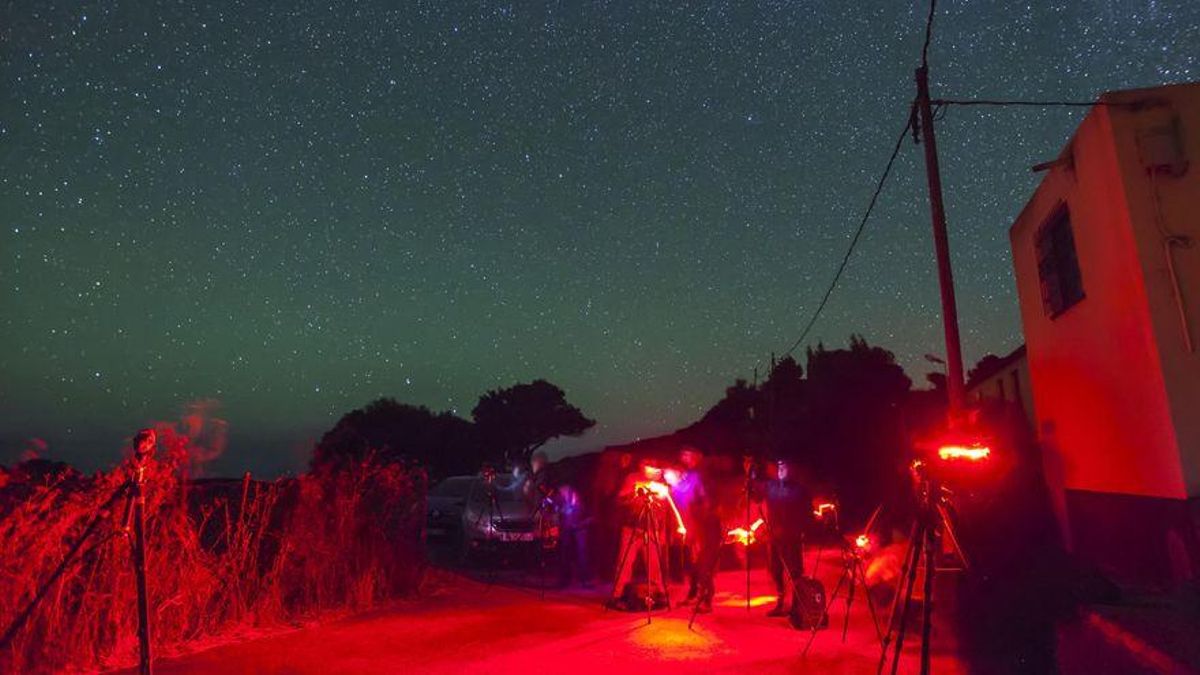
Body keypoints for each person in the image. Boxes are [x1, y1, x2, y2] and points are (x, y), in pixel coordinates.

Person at [608, 460, 670, 609]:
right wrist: (635, 492)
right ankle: (617, 595)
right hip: (632, 527)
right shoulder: (633, 478)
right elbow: (621, 498)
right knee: (625, 562)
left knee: (654, 563)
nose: (651, 470)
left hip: (651, 528)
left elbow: (664, 507)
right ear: (642, 466)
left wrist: (661, 531)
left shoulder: (661, 483)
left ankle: (660, 593)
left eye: (655, 468)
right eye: (648, 466)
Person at [674, 446, 723, 613]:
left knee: (704, 562)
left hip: (706, 525)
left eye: (688, 454)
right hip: (694, 524)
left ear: (697, 455)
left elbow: (707, 498)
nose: (684, 458)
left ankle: (706, 598)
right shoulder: (690, 474)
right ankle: (694, 593)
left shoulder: (702, 473)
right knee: (692, 562)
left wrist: (705, 512)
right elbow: (685, 494)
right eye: (683, 454)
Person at [764, 456, 813, 617]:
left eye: (784, 467)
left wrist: (798, 529)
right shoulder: (771, 487)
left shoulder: (799, 490)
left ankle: (797, 603)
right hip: (774, 536)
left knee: (794, 570)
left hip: (791, 536)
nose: (780, 471)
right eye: (778, 468)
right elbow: (758, 495)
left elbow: (806, 513)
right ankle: (781, 601)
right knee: (775, 569)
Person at [556, 482, 592, 587]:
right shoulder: (562, 492)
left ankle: (584, 579)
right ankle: (566, 579)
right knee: (566, 550)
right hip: (570, 523)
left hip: (580, 523)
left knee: (581, 552)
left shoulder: (580, 494)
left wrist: (584, 521)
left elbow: (588, 512)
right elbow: (560, 509)